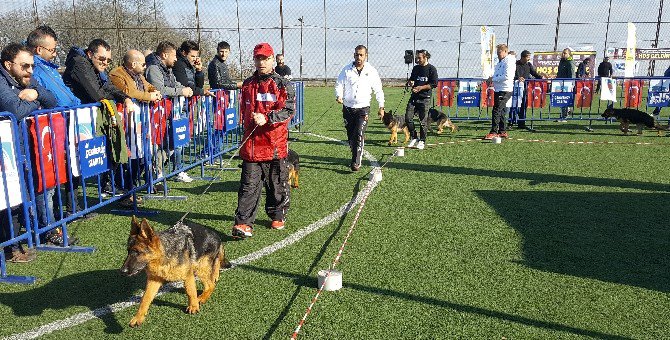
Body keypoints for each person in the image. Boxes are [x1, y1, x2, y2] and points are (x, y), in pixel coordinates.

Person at [26, 25, 85, 245]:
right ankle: (47, 228)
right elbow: (54, 100)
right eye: (52, 49)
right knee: (45, 180)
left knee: (54, 177)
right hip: (45, 129)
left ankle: (52, 223)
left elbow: (67, 96)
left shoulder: (49, 68)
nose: (55, 53)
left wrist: (77, 105)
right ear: (39, 49)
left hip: (59, 126)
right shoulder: (38, 70)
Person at [0, 42, 58, 262]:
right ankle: (10, 248)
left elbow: (52, 99)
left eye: (32, 66)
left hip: (21, 146)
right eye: (25, 66)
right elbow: (15, 110)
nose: (30, 71)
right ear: (8, 64)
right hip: (6, 148)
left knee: (19, 194)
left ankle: (16, 243)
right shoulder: (1, 80)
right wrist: (36, 104)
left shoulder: (24, 79)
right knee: (8, 196)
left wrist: (34, 93)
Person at [231, 43, 295, 238]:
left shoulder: (282, 84)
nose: (261, 62)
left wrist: (267, 117)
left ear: (272, 60)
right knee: (248, 185)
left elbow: (288, 110)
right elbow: (244, 110)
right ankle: (243, 223)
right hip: (252, 146)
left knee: (276, 183)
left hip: (274, 144)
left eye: (265, 58)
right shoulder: (248, 84)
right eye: (258, 58)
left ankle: (277, 214)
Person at [109, 49, 162, 206]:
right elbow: (128, 92)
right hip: (124, 122)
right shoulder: (117, 74)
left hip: (138, 121)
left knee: (140, 154)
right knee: (127, 157)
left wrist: (155, 92)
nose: (145, 67)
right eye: (143, 64)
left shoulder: (138, 75)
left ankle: (133, 187)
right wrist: (149, 96)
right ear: (133, 64)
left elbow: (148, 86)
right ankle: (125, 190)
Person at [145, 41, 194, 183]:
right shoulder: (153, 68)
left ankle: (159, 172)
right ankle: (155, 175)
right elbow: (159, 89)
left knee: (171, 143)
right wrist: (181, 91)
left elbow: (173, 84)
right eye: (173, 55)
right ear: (164, 55)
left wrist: (185, 88)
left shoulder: (167, 68)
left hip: (169, 112)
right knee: (158, 144)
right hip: (158, 114)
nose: (176, 59)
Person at [334, 45, 384, 170]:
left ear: (366, 56)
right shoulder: (346, 70)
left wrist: (381, 106)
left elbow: (378, 89)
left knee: (359, 133)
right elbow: (339, 84)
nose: (359, 57)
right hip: (348, 108)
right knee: (351, 136)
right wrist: (339, 95)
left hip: (363, 108)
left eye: (361, 55)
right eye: (357, 54)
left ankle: (356, 161)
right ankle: (355, 152)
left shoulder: (371, 71)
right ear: (354, 55)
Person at [405, 49, 437, 150]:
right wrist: (410, 82)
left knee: (423, 120)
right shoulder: (416, 68)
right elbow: (412, 79)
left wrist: (421, 88)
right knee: (408, 117)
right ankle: (414, 137)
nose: (417, 60)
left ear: (425, 57)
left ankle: (422, 141)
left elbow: (434, 84)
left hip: (425, 98)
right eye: (416, 58)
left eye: (419, 58)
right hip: (414, 97)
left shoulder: (432, 69)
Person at [484, 44, 515, 140]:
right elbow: (498, 75)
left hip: (505, 89)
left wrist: (493, 79)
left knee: (496, 110)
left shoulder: (509, 61)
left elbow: (507, 76)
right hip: (499, 89)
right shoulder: (501, 62)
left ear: (505, 51)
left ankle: (493, 132)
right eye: (497, 53)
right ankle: (502, 131)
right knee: (501, 111)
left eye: (499, 52)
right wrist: (491, 78)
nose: (498, 55)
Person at [514, 50, 544, 129]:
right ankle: (511, 122)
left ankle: (522, 123)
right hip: (515, 88)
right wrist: (517, 78)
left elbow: (534, 73)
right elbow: (511, 75)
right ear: (523, 57)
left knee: (524, 105)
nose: (529, 59)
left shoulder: (529, 65)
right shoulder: (515, 64)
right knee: (514, 105)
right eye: (528, 57)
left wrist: (542, 77)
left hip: (525, 88)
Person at [556, 48, 576, 122]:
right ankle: (562, 115)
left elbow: (572, 74)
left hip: (567, 83)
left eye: (565, 53)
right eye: (563, 53)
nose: (563, 54)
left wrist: (571, 84)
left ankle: (565, 116)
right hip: (560, 82)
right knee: (561, 100)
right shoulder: (562, 61)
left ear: (569, 54)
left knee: (565, 100)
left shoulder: (570, 62)